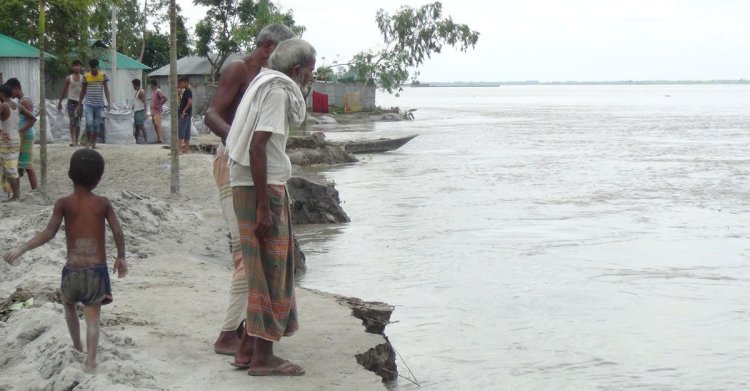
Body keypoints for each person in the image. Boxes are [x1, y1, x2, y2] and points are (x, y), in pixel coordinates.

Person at [225, 38, 315, 377]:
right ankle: (263, 357)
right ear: (296, 70)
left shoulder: (263, 82)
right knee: (272, 271)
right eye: (310, 73)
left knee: (260, 268)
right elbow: (258, 147)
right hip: (260, 187)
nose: (310, 80)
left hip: (247, 184)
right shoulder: (278, 91)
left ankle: (248, 348)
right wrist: (265, 207)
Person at [204, 23, 295, 357]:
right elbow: (210, 114)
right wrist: (238, 141)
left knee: (253, 251)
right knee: (246, 254)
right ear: (269, 46)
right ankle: (229, 333)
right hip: (234, 165)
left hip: (250, 167)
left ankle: (245, 331)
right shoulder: (240, 69)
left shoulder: (269, 80)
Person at [3, 148, 127, 372]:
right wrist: (121, 256)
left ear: (69, 174)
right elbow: (117, 231)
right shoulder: (103, 203)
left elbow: (48, 233)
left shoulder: (63, 203)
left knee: (68, 304)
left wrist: (21, 249)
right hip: (96, 271)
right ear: (99, 179)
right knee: (92, 317)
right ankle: (90, 362)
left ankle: (77, 346)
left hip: (73, 270)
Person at [0, 84, 36, 201]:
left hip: (7, 141)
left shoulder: (4, 106)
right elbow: (33, 118)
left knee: (9, 169)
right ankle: (16, 193)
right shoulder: (18, 105)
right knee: (13, 167)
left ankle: (15, 195)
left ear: (2, 93)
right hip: (16, 139)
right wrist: (21, 130)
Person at [6, 78, 38, 191]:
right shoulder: (20, 101)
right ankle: (18, 192)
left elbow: (32, 120)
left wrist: (20, 131)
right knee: (20, 164)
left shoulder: (25, 101)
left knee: (27, 165)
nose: (9, 94)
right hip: (23, 135)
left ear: (16, 88)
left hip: (26, 135)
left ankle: (35, 190)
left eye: (10, 90)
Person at [78, 59, 111, 149]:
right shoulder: (86, 77)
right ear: (90, 68)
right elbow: (82, 91)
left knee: (96, 125)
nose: (94, 70)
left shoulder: (103, 76)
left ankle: (94, 143)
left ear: (97, 67)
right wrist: (79, 104)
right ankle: (88, 141)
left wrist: (109, 103)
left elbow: (106, 90)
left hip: (99, 105)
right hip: (88, 104)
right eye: (92, 69)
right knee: (89, 123)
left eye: (95, 68)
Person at [57, 60, 84, 146]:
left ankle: (77, 140)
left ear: (80, 67)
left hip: (80, 102)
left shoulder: (83, 78)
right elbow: (64, 90)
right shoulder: (69, 78)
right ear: (72, 67)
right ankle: (72, 140)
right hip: (71, 101)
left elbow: (84, 91)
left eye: (78, 65)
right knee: (72, 120)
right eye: (75, 65)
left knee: (78, 121)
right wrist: (60, 101)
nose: (77, 67)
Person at [177, 76, 192, 154]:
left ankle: (179, 149)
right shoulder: (186, 91)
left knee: (181, 131)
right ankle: (186, 149)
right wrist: (179, 95)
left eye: (181, 83)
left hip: (185, 114)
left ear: (186, 82)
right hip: (188, 114)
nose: (180, 84)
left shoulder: (188, 91)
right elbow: (183, 103)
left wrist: (183, 111)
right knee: (187, 132)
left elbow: (190, 102)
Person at [149, 79, 166, 144]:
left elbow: (165, 98)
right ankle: (159, 139)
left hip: (157, 111)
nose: (150, 85)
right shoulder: (154, 91)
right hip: (153, 111)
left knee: (157, 125)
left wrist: (159, 105)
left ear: (152, 84)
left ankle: (161, 139)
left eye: (151, 84)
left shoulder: (158, 91)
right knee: (155, 125)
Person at [131, 79, 147, 144]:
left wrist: (145, 113)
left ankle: (146, 141)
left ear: (135, 85)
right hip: (137, 111)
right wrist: (132, 108)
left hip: (140, 111)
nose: (133, 87)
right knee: (137, 127)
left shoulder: (141, 92)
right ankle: (136, 141)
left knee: (141, 126)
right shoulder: (137, 92)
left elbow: (144, 102)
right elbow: (137, 102)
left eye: (133, 85)